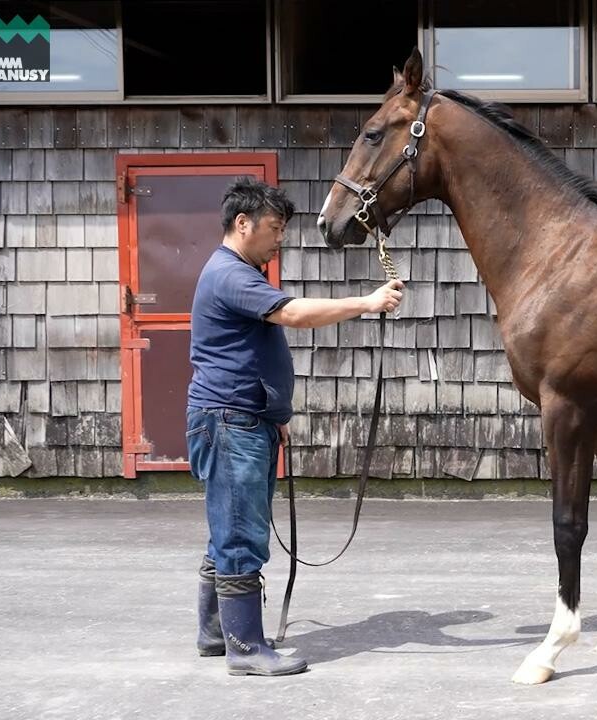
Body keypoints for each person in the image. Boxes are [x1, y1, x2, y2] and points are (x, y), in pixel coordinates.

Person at [186, 176, 403, 676]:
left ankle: (217, 632)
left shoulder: (235, 273)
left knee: (230, 527)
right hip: (231, 421)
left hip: (243, 418)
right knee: (240, 534)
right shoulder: (231, 275)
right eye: (274, 228)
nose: (279, 237)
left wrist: (271, 416)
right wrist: (366, 303)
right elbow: (295, 314)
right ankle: (245, 650)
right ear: (243, 224)